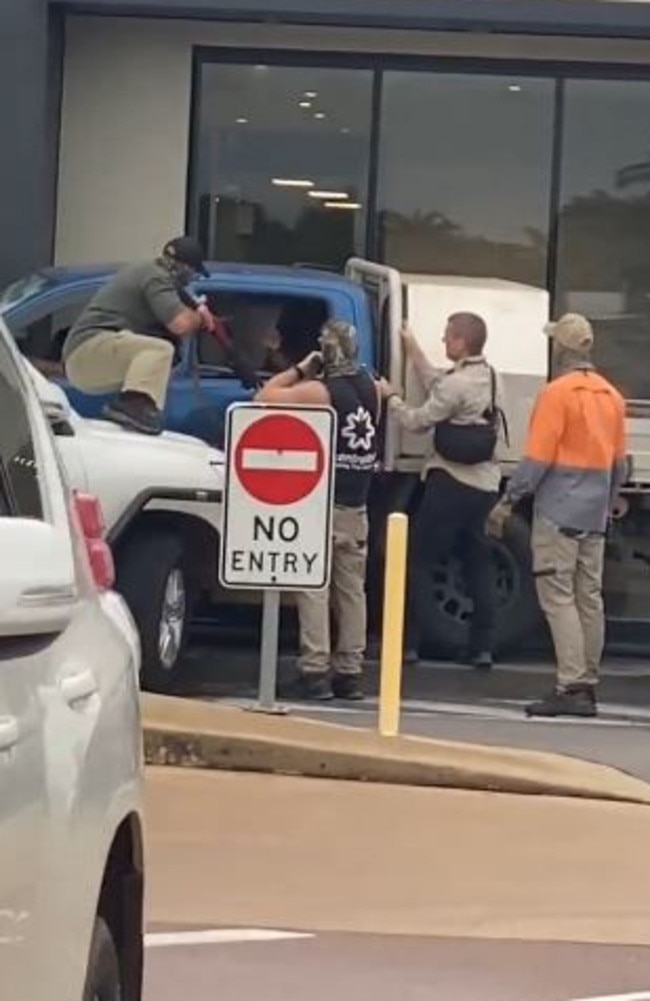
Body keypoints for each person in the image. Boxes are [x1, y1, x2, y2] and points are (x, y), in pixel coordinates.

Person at [488, 313, 627, 718]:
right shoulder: (611, 397)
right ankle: (588, 682)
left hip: (558, 512)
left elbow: (537, 460)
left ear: (560, 348)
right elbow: (620, 465)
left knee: (558, 596)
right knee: (589, 598)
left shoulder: (556, 394)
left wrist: (508, 500)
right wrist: (610, 498)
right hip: (595, 515)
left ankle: (571, 685)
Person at [254, 320, 381, 701]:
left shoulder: (320, 391)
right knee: (352, 591)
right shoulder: (371, 388)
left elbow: (266, 396)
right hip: (358, 504)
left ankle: (315, 672)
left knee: (313, 589)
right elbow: (390, 390)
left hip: (325, 504)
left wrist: (299, 368)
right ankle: (351, 672)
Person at [380, 313, 505, 670]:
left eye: (448, 337)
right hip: (485, 485)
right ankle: (482, 647)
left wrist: (392, 399)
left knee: (418, 560)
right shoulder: (492, 379)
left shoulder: (455, 385)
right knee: (478, 562)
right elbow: (440, 383)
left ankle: (408, 643)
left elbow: (418, 422)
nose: (444, 341)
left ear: (462, 342)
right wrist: (413, 348)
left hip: (450, 483)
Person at [63, 236, 215, 435]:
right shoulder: (155, 276)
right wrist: (201, 317)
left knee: (161, 357)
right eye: (194, 273)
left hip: (86, 358)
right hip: (87, 353)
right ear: (184, 267)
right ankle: (133, 406)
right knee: (159, 349)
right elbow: (180, 324)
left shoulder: (148, 272)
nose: (192, 279)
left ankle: (139, 409)